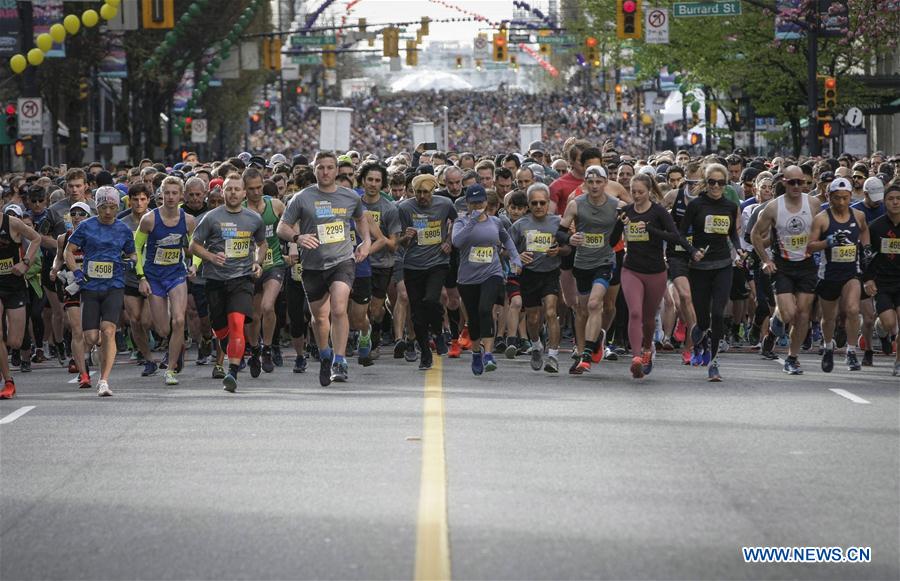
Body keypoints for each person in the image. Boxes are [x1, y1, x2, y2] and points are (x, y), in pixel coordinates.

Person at [276, 151, 370, 386]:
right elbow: (282, 227)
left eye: (330, 167)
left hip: (342, 261)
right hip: (313, 265)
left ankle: (340, 360)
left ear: (337, 170)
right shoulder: (301, 197)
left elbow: (360, 219)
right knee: (319, 317)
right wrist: (297, 238)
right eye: (321, 167)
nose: (326, 172)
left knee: (339, 308)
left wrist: (365, 241)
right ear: (314, 169)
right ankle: (326, 354)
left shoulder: (350, 197)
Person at [190, 173, 267, 393]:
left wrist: (257, 262)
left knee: (236, 323)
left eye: (237, 189)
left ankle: (232, 372)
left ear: (244, 193)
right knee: (220, 329)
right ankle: (235, 351)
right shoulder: (211, 217)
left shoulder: (254, 219)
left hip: (241, 279)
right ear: (222, 192)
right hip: (215, 280)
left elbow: (262, 245)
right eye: (229, 189)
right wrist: (211, 256)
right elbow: (194, 246)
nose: (233, 192)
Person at [63, 187, 137, 397]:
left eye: (112, 207)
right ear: (98, 206)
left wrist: (129, 264)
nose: (107, 211)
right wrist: (76, 271)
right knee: (91, 337)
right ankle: (98, 351)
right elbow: (68, 251)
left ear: (117, 207)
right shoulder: (86, 226)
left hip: (114, 286)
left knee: (108, 330)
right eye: (103, 207)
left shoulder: (122, 229)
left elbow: (132, 254)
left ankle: (104, 380)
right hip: (90, 287)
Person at [751, 165, 822, 375]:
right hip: (783, 265)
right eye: (792, 182)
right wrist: (765, 260)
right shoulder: (773, 208)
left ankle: (792, 358)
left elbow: (825, 227)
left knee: (802, 314)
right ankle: (773, 332)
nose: (797, 186)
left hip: (807, 265)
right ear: (784, 182)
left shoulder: (814, 204)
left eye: (801, 182)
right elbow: (755, 235)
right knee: (788, 313)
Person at [619, 174, 692, 379]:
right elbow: (611, 241)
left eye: (640, 192)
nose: (636, 195)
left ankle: (647, 349)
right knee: (634, 313)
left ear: (649, 191)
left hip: (655, 270)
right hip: (631, 269)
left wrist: (650, 229)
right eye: (633, 192)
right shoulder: (626, 211)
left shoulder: (659, 212)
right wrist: (620, 225)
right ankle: (636, 357)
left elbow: (675, 236)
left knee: (649, 318)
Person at [558, 165, 624, 374]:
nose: (595, 186)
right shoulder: (575, 204)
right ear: (585, 183)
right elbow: (559, 233)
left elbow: (641, 216)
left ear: (606, 183)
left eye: (599, 182)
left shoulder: (617, 205)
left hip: (605, 261)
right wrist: (570, 238)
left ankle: (586, 355)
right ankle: (584, 348)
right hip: (582, 263)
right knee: (582, 310)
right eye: (591, 181)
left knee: (596, 304)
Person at [681, 164, 742, 381]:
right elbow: (681, 234)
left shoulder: (730, 206)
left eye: (721, 182)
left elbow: (733, 234)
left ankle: (714, 362)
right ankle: (701, 329)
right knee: (703, 316)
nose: (716, 186)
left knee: (718, 313)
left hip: (723, 264)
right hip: (699, 268)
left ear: (726, 185)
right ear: (706, 183)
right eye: (712, 182)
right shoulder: (696, 205)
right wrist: (692, 250)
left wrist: (740, 249)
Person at [451, 185, 521, 374]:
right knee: (473, 319)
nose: (477, 206)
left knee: (485, 309)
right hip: (467, 277)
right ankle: (476, 352)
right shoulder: (460, 222)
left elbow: (506, 239)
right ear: (467, 204)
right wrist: (472, 222)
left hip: (492, 273)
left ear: (486, 202)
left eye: (480, 202)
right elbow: (456, 242)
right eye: (473, 203)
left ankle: (488, 354)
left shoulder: (496, 222)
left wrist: (515, 258)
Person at [134, 176, 197, 386]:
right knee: (162, 329)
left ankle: (170, 369)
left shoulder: (188, 220)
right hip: (154, 277)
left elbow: (195, 246)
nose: (170, 197)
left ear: (181, 196)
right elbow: (136, 249)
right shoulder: (149, 220)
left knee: (179, 319)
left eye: (174, 193)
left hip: (176, 274)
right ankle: (175, 343)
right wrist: (141, 277)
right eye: (166, 193)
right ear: (161, 194)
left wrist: (194, 264)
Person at [396, 173, 458, 370]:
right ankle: (424, 352)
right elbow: (399, 241)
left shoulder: (445, 204)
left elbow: (456, 222)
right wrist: (406, 237)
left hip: (437, 262)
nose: (422, 196)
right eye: (418, 192)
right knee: (417, 314)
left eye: (426, 192)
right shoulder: (405, 208)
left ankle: (439, 333)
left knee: (431, 300)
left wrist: (449, 241)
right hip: (412, 265)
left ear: (434, 191)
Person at [807, 177, 869, 372]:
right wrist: (829, 242)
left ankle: (851, 352)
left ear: (851, 196)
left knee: (852, 309)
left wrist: (865, 248)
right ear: (829, 197)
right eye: (837, 198)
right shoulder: (822, 218)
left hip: (851, 271)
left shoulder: (858, 215)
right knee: (829, 317)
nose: (841, 202)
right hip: (829, 274)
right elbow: (809, 247)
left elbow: (864, 230)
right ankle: (827, 347)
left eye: (845, 198)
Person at [510, 183, 565, 373]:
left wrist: (559, 250)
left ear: (548, 203)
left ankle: (553, 356)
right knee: (533, 318)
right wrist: (518, 256)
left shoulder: (558, 222)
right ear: (529, 204)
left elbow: (569, 248)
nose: (539, 206)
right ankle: (535, 346)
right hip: (529, 275)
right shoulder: (520, 225)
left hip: (550, 272)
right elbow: (505, 250)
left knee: (550, 312)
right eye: (534, 203)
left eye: (542, 202)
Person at [242, 168, 286, 376]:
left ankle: (267, 347)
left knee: (268, 306)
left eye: (259, 187)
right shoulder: (239, 210)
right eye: (251, 189)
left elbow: (290, 224)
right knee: (253, 315)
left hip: (273, 264)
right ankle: (254, 348)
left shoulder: (275, 205)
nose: (256, 192)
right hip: (248, 267)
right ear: (244, 189)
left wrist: (293, 248)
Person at [0, 205, 42, 399]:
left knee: (14, 341)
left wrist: (25, 262)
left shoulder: (12, 223)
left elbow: (36, 238)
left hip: (15, 286)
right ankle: (8, 380)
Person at [862, 182, 900, 376]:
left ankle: (898, 362)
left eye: (898, 199)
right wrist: (868, 280)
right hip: (882, 284)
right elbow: (866, 256)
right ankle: (881, 329)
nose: (895, 202)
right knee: (889, 323)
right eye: (891, 199)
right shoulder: (875, 227)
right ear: (884, 202)